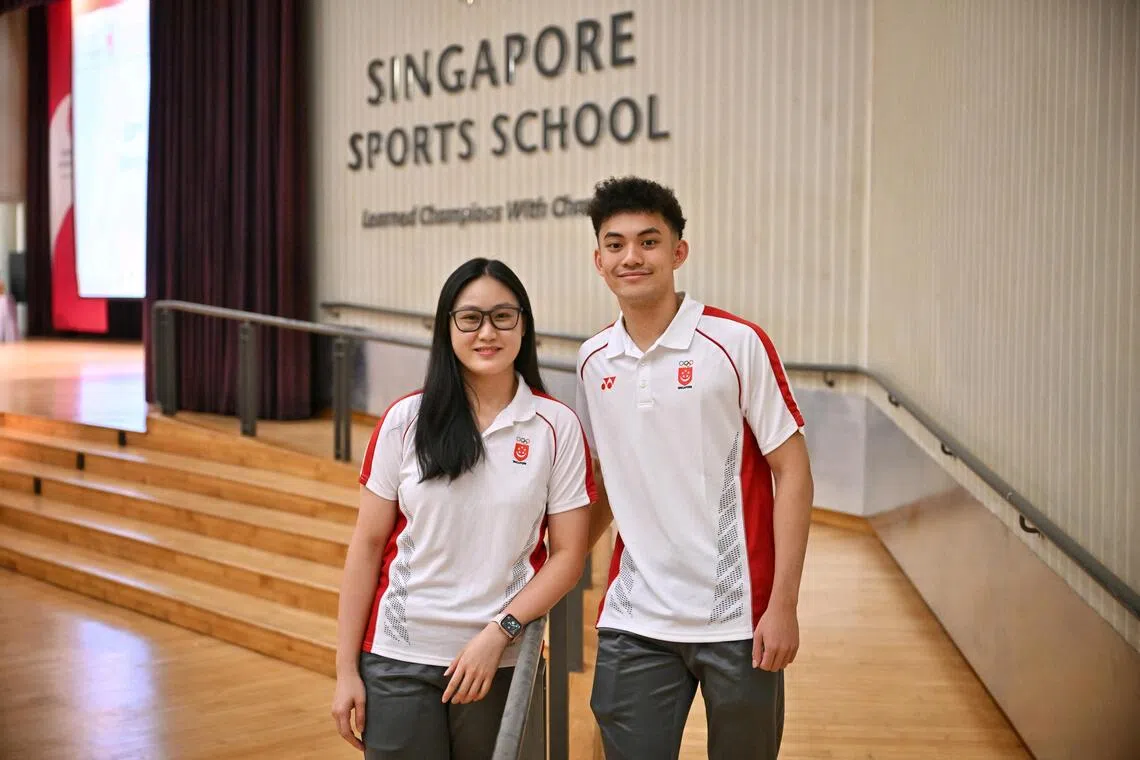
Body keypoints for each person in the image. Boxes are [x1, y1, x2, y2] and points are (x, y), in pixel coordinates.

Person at [575, 176, 815, 760]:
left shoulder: (735, 344)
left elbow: (794, 472)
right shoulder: (592, 360)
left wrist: (783, 605)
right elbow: (609, 480)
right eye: (616, 244)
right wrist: (556, 561)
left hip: (739, 619)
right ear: (599, 260)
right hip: (635, 618)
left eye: (649, 241)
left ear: (678, 252)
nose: (632, 256)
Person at [333, 257, 595, 759]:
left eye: (503, 316)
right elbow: (367, 548)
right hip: (397, 658)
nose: (487, 332)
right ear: (447, 327)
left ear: (524, 324)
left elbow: (567, 557)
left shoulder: (555, 427)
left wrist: (501, 632)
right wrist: (347, 671)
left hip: (498, 662)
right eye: (470, 318)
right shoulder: (405, 420)